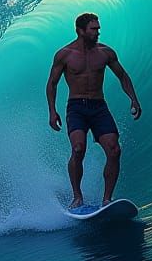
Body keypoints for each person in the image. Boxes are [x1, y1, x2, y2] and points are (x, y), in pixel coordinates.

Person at [46, 13, 141, 210]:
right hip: (76, 107)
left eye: (98, 28)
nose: (98, 32)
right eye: (93, 29)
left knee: (114, 150)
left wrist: (133, 98)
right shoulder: (64, 55)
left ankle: (107, 199)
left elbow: (123, 76)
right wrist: (52, 111)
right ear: (80, 31)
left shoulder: (105, 52)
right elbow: (52, 84)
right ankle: (77, 196)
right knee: (78, 149)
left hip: (99, 107)